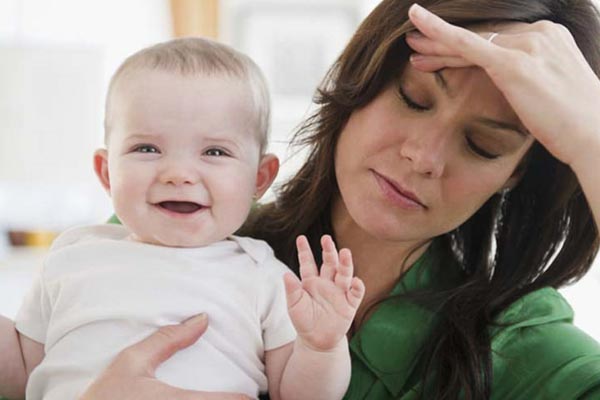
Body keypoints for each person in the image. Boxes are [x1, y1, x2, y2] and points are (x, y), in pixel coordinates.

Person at [13, 0, 600, 398]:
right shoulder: (169, 232)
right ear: (361, 80)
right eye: (414, 99)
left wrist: (592, 137)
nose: (423, 155)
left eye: (480, 144)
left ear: (514, 176)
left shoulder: (528, 353)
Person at [0, 37, 366, 400]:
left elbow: (300, 395)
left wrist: (320, 347)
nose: (178, 173)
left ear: (259, 178)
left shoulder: (263, 276)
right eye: (147, 148)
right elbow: (21, 373)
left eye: (214, 151)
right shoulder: (73, 255)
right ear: (107, 172)